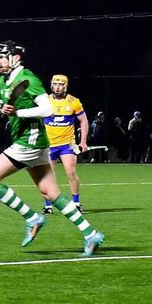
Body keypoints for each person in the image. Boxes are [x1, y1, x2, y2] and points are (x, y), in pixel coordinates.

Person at [0, 41, 104, 256]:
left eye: (3, 57)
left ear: (16, 58)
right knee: (50, 192)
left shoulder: (28, 79)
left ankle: (32, 218)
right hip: (36, 141)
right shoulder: (5, 79)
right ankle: (91, 234)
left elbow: (47, 109)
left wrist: (17, 114)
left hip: (28, 142)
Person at [41, 74, 89, 214]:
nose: (57, 87)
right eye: (55, 84)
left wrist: (83, 141)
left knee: (71, 172)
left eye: (60, 84)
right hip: (48, 144)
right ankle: (48, 205)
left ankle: (76, 203)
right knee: (48, 175)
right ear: (51, 85)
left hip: (67, 144)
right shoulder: (45, 101)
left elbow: (84, 121)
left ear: (65, 86)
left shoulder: (73, 102)